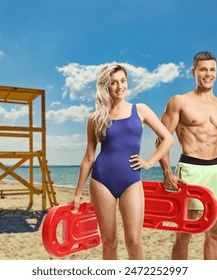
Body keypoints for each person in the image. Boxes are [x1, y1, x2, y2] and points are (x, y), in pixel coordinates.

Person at [72, 63, 174, 260]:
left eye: (123, 81)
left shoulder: (140, 110)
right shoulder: (95, 118)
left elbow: (167, 138)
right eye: (113, 83)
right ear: (105, 86)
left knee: (134, 242)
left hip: (131, 180)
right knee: (109, 242)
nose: (120, 86)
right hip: (101, 181)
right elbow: (88, 157)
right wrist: (77, 193)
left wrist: (149, 162)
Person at [157, 51, 217, 260]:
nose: (208, 74)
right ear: (193, 71)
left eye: (212, 69)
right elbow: (162, 139)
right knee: (185, 234)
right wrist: (167, 172)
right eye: (203, 69)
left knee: (214, 234)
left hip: (216, 171)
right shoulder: (179, 102)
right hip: (190, 169)